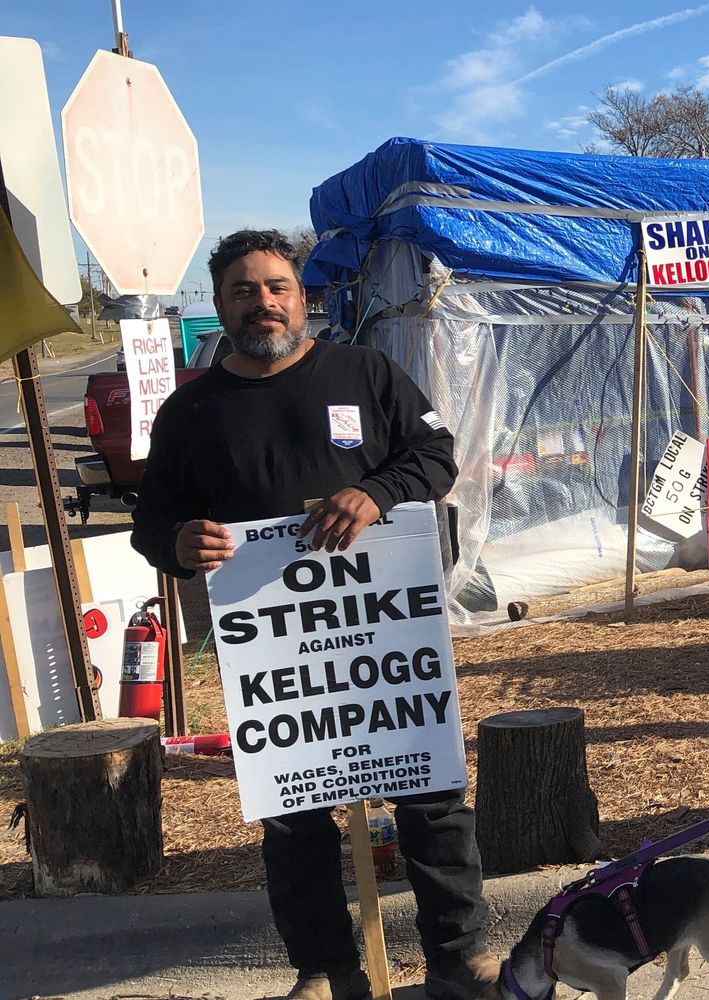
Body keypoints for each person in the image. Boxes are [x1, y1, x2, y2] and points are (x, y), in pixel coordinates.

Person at [131, 230, 497, 1000]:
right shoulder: (190, 412)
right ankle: (327, 970)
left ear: (302, 298)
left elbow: (435, 457)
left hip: (385, 633)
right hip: (273, 650)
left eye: (276, 287)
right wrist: (176, 540)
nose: (262, 302)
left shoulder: (362, 371)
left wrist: (377, 493)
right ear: (222, 308)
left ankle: (459, 957)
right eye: (242, 291)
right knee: (294, 815)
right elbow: (152, 520)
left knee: (427, 793)